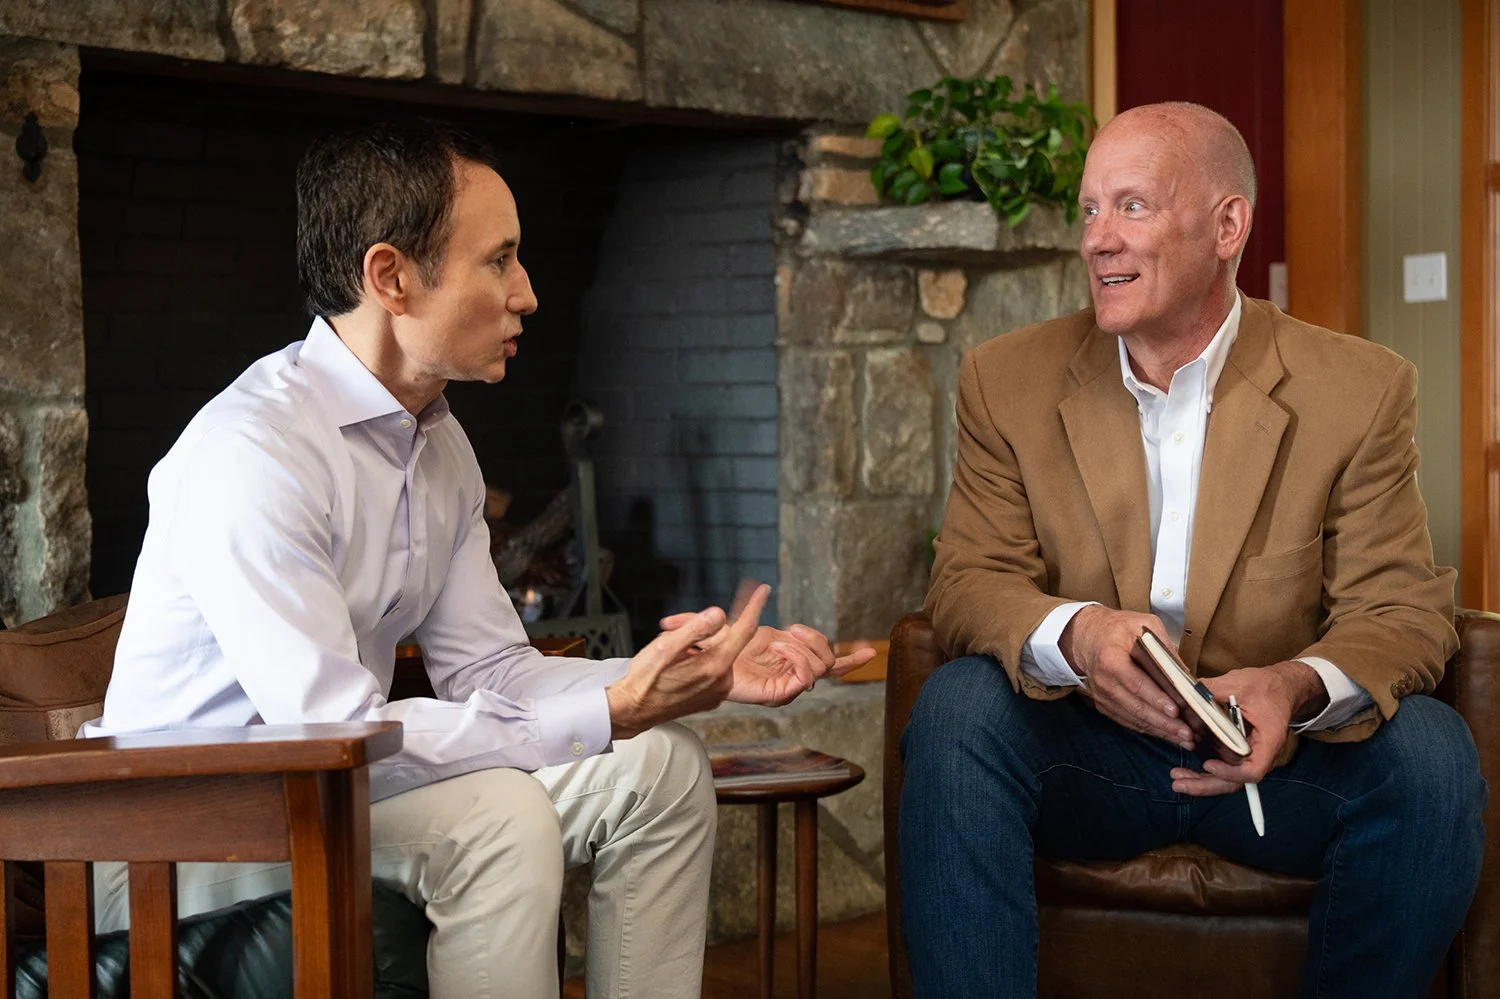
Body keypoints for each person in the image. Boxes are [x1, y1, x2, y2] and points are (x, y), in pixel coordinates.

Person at [82, 118, 872, 999]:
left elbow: (492, 667)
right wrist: (609, 705)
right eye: (499, 260)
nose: (527, 293)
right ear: (390, 277)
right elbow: (332, 731)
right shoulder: (253, 451)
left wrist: (679, 675)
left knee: (662, 768)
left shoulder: (440, 445)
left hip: (323, 790)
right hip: (173, 833)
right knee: (499, 818)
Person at [898, 101, 1486, 998]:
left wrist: (1291, 686)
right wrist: (1081, 633)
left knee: (1436, 755)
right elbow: (970, 579)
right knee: (958, 707)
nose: (1098, 238)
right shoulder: (1004, 381)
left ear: (1227, 225)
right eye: (1089, 209)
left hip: (1279, 772)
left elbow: (1400, 611)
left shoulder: (1360, 390)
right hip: (1090, 757)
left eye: (1131, 206)